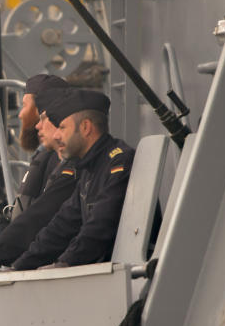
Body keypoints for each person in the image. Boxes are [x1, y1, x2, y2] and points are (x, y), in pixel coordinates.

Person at [0, 85, 77, 301]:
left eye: (26, 106)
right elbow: (52, 224)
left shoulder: (74, 167)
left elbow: (42, 219)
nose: (22, 115)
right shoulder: (56, 161)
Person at [10, 88, 134, 270]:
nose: (57, 135)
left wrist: (66, 263)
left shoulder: (118, 162)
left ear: (85, 127)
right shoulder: (88, 169)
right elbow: (61, 226)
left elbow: (100, 225)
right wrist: (19, 266)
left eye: (62, 127)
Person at [10, 74, 72, 220]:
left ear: (41, 110)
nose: (20, 114)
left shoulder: (58, 159)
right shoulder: (46, 156)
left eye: (25, 106)